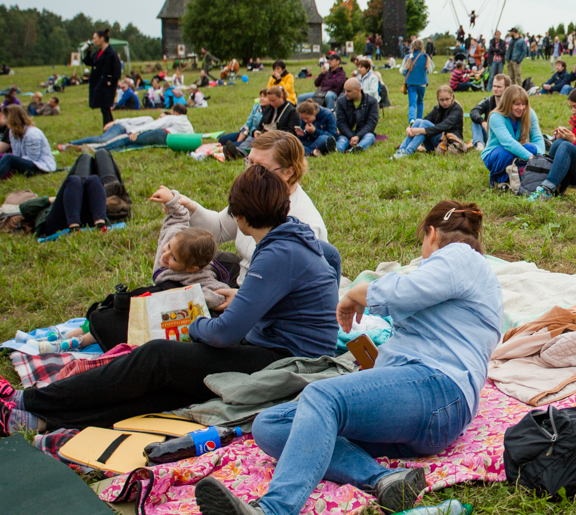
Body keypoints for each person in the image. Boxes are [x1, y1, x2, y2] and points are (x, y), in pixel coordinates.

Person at [194, 200, 502, 515]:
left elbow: (403, 292)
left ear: (432, 234)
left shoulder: (460, 257)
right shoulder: (464, 275)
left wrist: (357, 293)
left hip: (437, 390)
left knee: (322, 396)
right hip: (420, 404)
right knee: (271, 425)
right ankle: (387, 479)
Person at [1, 166, 341, 437]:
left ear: (240, 215)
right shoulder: (297, 235)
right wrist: (254, 300)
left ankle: (29, 400)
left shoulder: (277, 253)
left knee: (157, 356)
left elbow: (222, 333)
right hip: (294, 350)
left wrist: (195, 323)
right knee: (171, 389)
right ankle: (43, 419)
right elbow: (333, 258)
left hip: (286, 361)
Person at [179, 131, 327, 286]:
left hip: (265, 298)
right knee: (185, 257)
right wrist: (187, 206)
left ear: (288, 173)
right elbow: (220, 228)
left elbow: (290, 290)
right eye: (249, 163)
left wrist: (236, 298)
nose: (250, 172)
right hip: (246, 279)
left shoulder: (304, 225)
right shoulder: (255, 194)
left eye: (261, 168)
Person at [146, 187, 226, 310]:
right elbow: (179, 215)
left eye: (174, 258)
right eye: (168, 247)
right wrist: (170, 199)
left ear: (191, 268)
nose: (165, 255)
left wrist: (189, 298)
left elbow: (221, 293)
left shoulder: (197, 276)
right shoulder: (172, 236)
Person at [480, 85, 545, 187]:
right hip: (497, 153)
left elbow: (537, 137)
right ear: (507, 104)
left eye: (524, 104)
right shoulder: (495, 117)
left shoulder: (528, 113)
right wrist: (531, 158)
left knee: (531, 147)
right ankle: (502, 178)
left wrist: (541, 157)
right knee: (506, 153)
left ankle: (517, 175)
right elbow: (508, 142)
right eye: (517, 104)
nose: (521, 108)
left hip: (516, 151)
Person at [394, 85, 465, 157]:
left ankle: (408, 152)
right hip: (436, 144)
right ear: (438, 99)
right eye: (442, 100)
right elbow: (424, 120)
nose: (445, 102)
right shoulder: (437, 109)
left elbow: (444, 126)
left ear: (452, 97)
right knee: (419, 121)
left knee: (425, 124)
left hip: (450, 144)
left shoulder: (457, 110)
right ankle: (401, 150)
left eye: (447, 99)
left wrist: (421, 131)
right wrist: (409, 129)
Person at [0, 106, 55, 179]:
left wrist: (15, 161)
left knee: (8, 158)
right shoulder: (12, 132)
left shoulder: (32, 134)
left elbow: (32, 158)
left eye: (6, 118)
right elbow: (16, 153)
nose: (5, 121)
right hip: (26, 162)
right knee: (8, 158)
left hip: (40, 166)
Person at [84, 28, 121, 126]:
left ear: (101, 38)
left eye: (95, 38)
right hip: (98, 84)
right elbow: (89, 62)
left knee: (105, 108)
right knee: (104, 109)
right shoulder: (98, 52)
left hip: (106, 85)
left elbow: (117, 70)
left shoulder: (111, 53)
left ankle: (108, 128)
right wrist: (88, 51)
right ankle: (111, 127)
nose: (94, 41)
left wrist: (110, 81)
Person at [334, 77, 379, 153]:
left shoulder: (371, 102)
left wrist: (358, 136)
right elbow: (341, 122)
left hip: (364, 134)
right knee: (341, 142)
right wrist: (351, 137)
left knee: (370, 137)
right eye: (345, 90)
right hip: (346, 134)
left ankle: (355, 149)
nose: (345, 93)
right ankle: (338, 149)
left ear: (358, 90)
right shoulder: (341, 101)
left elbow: (371, 123)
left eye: (349, 91)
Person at [468, 73, 509, 150]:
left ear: (507, 88)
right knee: (476, 120)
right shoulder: (488, 100)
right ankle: (479, 144)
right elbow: (474, 111)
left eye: (499, 87)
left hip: (504, 136)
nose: (495, 89)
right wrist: (483, 122)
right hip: (489, 133)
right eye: (494, 86)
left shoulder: (512, 103)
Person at [403, 41, 432, 123]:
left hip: (411, 83)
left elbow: (402, 70)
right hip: (422, 83)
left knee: (412, 103)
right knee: (420, 101)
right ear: (422, 46)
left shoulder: (407, 57)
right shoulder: (426, 57)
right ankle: (419, 120)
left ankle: (412, 119)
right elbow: (429, 70)